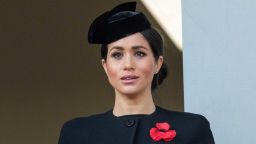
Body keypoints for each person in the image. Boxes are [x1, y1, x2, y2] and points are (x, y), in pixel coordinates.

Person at [58, 2, 215, 144]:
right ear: (105, 66)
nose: (128, 65)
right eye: (117, 55)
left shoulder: (192, 129)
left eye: (139, 53)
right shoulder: (76, 133)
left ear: (157, 63)